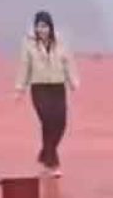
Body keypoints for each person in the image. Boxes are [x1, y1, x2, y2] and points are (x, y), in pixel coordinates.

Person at [15, 11, 79, 178]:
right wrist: (20, 88)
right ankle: (53, 163)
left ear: (50, 26)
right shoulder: (28, 44)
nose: (41, 29)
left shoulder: (61, 42)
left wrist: (73, 81)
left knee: (60, 123)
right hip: (39, 87)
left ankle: (45, 153)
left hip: (58, 86)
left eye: (44, 26)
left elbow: (68, 61)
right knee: (48, 121)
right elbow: (24, 65)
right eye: (38, 26)